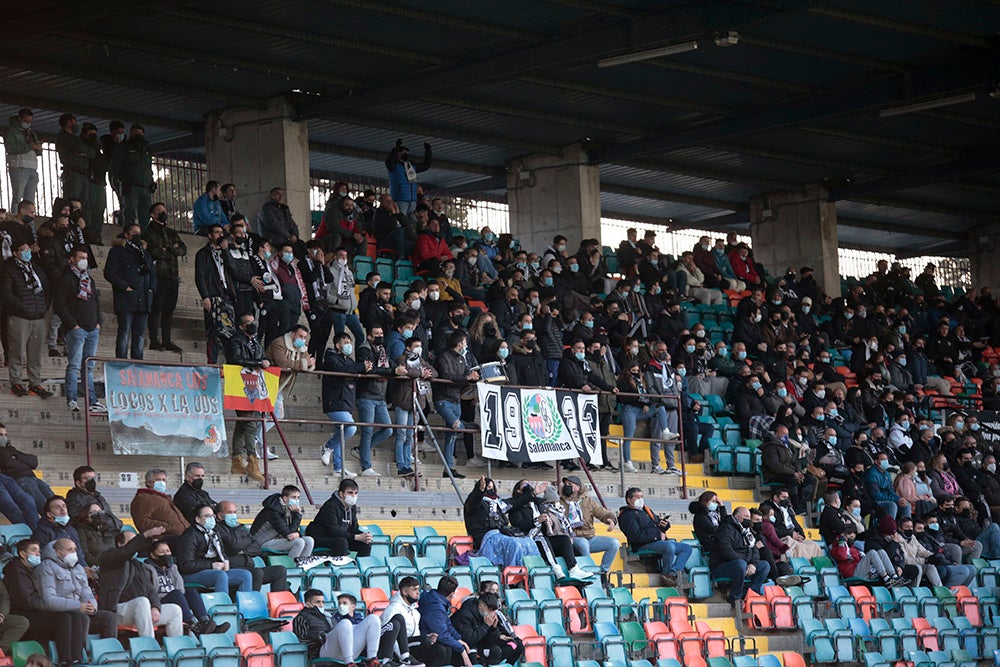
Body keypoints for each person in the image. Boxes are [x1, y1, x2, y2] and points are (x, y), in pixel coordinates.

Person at [5, 539, 95, 666]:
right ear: (22, 554)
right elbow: (25, 601)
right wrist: (46, 605)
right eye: (33, 550)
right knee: (63, 618)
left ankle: (77, 658)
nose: (38, 554)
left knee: (76, 616)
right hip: (23, 614)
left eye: (39, 551)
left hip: (35, 611)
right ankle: (65, 659)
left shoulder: (30, 570)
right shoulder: (15, 572)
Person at [98, 527, 183, 637]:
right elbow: (124, 553)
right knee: (142, 602)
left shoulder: (138, 565)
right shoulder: (109, 557)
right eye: (132, 542)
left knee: (174, 610)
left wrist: (155, 607)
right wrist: (145, 535)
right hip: (117, 610)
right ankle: (149, 647)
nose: (136, 546)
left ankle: (176, 650)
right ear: (119, 544)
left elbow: (150, 590)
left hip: (142, 611)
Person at [144, 539, 229, 635]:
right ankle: (193, 624)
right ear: (153, 555)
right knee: (176, 593)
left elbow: (181, 588)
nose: (166, 554)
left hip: (176, 597)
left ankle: (205, 622)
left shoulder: (173, 568)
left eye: (168, 551)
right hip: (160, 601)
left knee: (191, 592)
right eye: (161, 552)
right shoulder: (147, 570)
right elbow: (150, 592)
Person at [53, 246, 103, 411]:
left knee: (88, 366)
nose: (84, 261)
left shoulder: (89, 279)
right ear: (71, 260)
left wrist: (98, 322)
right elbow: (59, 305)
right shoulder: (66, 279)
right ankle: (72, 399)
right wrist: (72, 325)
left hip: (92, 328)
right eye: (80, 257)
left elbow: (95, 301)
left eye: (86, 258)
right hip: (77, 329)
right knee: (74, 365)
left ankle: (92, 401)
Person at [36, 538, 116, 638]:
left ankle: (107, 651)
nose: (74, 553)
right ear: (58, 552)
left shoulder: (78, 568)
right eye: (70, 550)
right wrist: (78, 606)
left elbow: (87, 593)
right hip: (61, 614)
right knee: (81, 618)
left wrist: (92, 606)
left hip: (80, 611)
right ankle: (80, 652)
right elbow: (49, 600)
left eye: (75, 550)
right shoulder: (47, 567)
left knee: (109, 617)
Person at [1, 241, 51, 398]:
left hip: (38, 317)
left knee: (35, 353)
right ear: (15, 253)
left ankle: (35, 382)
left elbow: (47, 289)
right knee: (17, 350)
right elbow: (6, 293)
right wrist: (22, 307)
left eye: (28, 249)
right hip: (19, 317)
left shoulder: (36, 268)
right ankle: (16, 381)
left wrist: (43, 307)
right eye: (23, 250)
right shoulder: (10, 270)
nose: (27, 252)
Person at [618, 487, 692, 586]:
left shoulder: (646, 510)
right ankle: (665, 574)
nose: (640, 499)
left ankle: (672, 573)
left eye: (642, 496)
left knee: (686, 548)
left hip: (655, 541)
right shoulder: (627, 516)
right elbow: (636, 536)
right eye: (637, 497)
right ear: (629, 499)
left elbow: (657, 522)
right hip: (642, 545)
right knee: (669, 547)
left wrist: (664, 525)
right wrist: (657, 535)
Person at [320, 332, 372, 473]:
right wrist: (361, 366)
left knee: (342, 433)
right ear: (337, 345)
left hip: (347, 402)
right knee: (351, 428)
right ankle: (327, 446)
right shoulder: (331, 357)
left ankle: (339, 468)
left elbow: (353, 371)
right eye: (345, 342)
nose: (349, 345)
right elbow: (343, 370)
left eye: (350, 342)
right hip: (335, 401)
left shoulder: (349, 360)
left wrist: (366, 368)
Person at [103, 223, 156, 359]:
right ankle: (121, 361)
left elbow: (152, 274)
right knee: (124, 331)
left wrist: (151, 290)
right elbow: (109, 272)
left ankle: (138, 362)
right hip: (125, 298)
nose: (136, 235)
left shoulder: (145, 254)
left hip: (143, 299)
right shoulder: (117, 251)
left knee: (140, 333)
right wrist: (124, 286)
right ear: (126, 234)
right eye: (133, 232)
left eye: (139, 233)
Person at [225, 314, 268, 482]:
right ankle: (252, 461)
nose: (252, 325)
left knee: (243, 423)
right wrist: (258, 363)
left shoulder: (256, 342)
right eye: (248, 323)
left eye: (253, 322)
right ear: (241, 326)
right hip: (239, 384)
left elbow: (262, 356)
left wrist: (265, 361)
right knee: (250, 423)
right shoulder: (235, 340)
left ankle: (236, 461)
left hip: (253, 385)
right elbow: (236, 359)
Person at [174, 503, 253, 593]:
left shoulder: (213, 533)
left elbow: (222, 552)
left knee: (245, 575)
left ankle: (245, 604)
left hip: (213, 571)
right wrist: (211, 565)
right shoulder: (190, 536)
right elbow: (186, 565)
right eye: (207, 516)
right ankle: (223, 605)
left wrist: (225, 561)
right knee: (220, 575)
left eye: (212, 516)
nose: (211, 519)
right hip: (192, 574)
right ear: (198, 519)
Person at [214, 501, 290, 592]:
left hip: (248, 566)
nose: (233, 515)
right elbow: (233, 545)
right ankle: (251, 602)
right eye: (229, 512)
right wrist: (247, 540)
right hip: (233, 568)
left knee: (279, 570)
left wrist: (243, 551)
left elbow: (257, 547)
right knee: (256, 573)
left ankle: (279, 604)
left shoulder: (240, 527)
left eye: (235, 512)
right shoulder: (217, 529)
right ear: (219, 515)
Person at [463, 477, 539, 567]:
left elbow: (516, 502)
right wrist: (479, 492)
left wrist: (532, 493)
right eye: (487, 487)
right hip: (486, 537)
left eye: (492, 487)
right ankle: (514, 573)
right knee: (514, 544)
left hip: (502, 533)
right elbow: (473, 501)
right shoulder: (473, 503)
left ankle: (533, 572)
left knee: (529, 542)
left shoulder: (498, 502)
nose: (490, 489)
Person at [433, 331, 479, 478]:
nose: (466, 345)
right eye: (465, 342)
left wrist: (473, 378)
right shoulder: (444, 356)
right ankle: (466, 425)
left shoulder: (462, 358)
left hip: (456, 400)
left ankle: (448, 469)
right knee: (457, 426)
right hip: (443, 399)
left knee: (451, 437)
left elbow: (466, 374)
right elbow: (446, 375)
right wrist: (466, 377)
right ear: (460, 343)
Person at [389, 336, 436, 477]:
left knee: (410, 436)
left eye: (420, 346)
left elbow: (434, 372)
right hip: (403, 400)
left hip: (416, 403)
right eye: (416, 346)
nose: (419, 348)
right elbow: (405, 371)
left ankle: (408, 466)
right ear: (408, 348)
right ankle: (401, 465)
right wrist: (420, 373)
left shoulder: (420, 360)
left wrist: (425, 374)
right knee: (402, 434)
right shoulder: (401, 358)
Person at [142, 202, 187, 351]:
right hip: (159, 275)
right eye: (159, 211)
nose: (163, 213)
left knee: (169, 310)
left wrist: (168, 249)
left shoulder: (171, 232)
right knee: (156, 308)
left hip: (173, 275)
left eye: (164, 210)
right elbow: (154, 250)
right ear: (153, 215)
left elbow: (183, 249)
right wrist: (171, 250)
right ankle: (155, 339)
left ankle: (167, 340)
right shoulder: (149, 232)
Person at [710, 506, 771, 605]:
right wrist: (745, 564)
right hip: (722, 565)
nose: (748, 519)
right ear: (737, 517)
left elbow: (754, 550)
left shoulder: (746, 531)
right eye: (746, 516)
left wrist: (752, 564)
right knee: (740, 564)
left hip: (743, 564)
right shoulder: (726, 528)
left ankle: (749, 594)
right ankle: (735, 598)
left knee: (764, 565)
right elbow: (726, 551)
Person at [560, 475, 620, 574]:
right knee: (583, 543)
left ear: (577, 487)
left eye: (570, 484)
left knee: (614, 543)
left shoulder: (588, 501)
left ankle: (603, 572)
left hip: (590, 538)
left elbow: (602, 512)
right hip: (571, 538)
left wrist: (611, 520)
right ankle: (588, 571)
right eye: (565, 484)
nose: (566, 486)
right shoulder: (560, 502)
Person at [355, 325, 394, 477]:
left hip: (380, 396)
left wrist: (394, 370)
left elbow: (390, 367)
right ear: (369, 336)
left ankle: (360, 450)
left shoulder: (383, 350)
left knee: (388, 429)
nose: (379, 336)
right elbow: (370, 369)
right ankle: (366, 466)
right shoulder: (364, 349)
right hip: (366, 396)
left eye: (381, 333)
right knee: (368, 431)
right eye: (376, 333)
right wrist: (391, 372)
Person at [194, 225, 235, 363]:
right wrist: (205, 296)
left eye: (222, 232)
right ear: (210, 235)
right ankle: (212, 362)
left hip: (227, 295)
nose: (220, 235)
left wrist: (226, 251)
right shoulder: (203, 253)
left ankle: (231, 363)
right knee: (214, 332)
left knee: (230, 331)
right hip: (213, 296)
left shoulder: (227, 252)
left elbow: (233, 269)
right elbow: (200, 276)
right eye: (217, 232)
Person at [452, 591, 523, 666]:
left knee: (516, 643)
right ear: (481, 606)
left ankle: (508, 665)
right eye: (490, 610)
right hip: (468, 645)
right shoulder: (465, 615)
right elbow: (470, 639)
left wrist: (494, 628)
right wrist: (486, 625)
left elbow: (491, 640)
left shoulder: (487, 615)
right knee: (495, 651)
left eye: (494, 610)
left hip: (483, 641)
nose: (492, 613)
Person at [307, 479, 373, 558]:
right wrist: (356, 537)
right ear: (341, 494)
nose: (353, 496)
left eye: (356, 493)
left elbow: (353, 529)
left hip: (340, 537)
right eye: (350, 493)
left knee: (365, 543)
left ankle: (359, 567)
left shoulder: (352, 508)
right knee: (341, 543)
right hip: (320, 537)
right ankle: (338, 567)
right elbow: (332, 531)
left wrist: (364, 536)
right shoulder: (330, 506)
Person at [250, 485, 315, 561]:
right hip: (262, 542)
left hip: (279, 538)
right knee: (299, 542)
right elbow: (288, 533)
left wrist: (297, 533)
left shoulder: (289, 508)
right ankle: (291, 568)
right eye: (294, 497)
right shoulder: (272, 511)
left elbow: (292, 530)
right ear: (285, 498)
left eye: (298, 497)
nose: (297, 500)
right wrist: (298, 515)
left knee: (309, 540)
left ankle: (303, 566)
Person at [379, 576, 433, 667]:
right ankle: (403, 659)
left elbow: (416, 635)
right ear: (404, 591)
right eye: (414, 589)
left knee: (439, 648)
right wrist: (403, 656)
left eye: (418, 589)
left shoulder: (415, 612)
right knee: (425, 641)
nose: (418, 593)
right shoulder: (393, 609)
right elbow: (389, 636)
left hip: (407, 645)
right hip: (393, 649)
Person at [419, 577, 473, 667]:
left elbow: (447, 624)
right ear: (452, 593)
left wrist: (458, 639)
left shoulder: (438, 601)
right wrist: (461, 650)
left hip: (432, 639)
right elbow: (441, 634)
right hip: (425, 641)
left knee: (449, 648)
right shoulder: (436, 607)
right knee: (444, 650)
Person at [108, 124, 154, 227]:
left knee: (146, 214)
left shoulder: (146, 148)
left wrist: (151, 180)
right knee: (130, 213)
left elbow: (148, 167)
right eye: (135, 134)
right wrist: (123, 180)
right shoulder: (124, 147)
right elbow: (115, 167)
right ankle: (129, 236)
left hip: (145, 186)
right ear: (131, 134)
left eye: (140, 134)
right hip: (131, 186)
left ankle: (144, 238)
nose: (138, 136)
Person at [0, 427, 53, 513]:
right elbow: (9, 464)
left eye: (5, 435)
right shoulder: (2, 452)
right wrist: (23, 461)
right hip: (22, 480)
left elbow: (33, 462)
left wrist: (17, 457)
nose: (4, 438)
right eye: (1, 435)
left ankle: (64, 525)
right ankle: (52, 525)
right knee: (44, 507)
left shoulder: (11, 449)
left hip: (34, 478)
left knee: (55, 502)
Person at [830, 530, 907, 586]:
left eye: (853, 538)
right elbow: (842, 556)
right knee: (872, 552)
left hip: (863, 571)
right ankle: (886, 578)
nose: (851, 539)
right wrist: (841, 543)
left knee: (881, 551)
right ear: (844, 537)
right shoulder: (836, 549)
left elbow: (859, 560)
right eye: (850, 537)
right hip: (852, 574)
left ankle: (894, 576)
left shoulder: (853, 548)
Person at [130, 469, 188, 537]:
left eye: (163, 480)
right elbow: (143, 522)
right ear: (148, 482)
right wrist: (169, 527)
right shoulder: (143, 498)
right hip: (164, 540)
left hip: (181, 536)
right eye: (158, 480)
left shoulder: (164, 498)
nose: (162, 482)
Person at [32, 497, 88, 567]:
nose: (62, 510)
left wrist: (84, 568)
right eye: (57, 508)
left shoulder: (72, 530)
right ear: (49, 514)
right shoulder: (42, 532)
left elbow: (79, 554)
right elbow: (44, 557)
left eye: (64, 506)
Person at [5, 109, 41, 211]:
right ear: (19, 119)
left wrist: (38, 148)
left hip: (33, 168)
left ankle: (29, 225)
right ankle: (15, 223)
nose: (28, 124)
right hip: (18, 167)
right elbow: (10, 148)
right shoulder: (11, 130)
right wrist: (30, 146)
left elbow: (35, 150)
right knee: (17, 198)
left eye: (30, 122)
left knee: (30, 200)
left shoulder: (31, 132)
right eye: (26, 121)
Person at [386, 140, 432, 217]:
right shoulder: (394, 166)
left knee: (410, 223)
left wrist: (428, 151)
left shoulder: (411, 166)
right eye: (403, 153)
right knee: (400, 221)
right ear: (398, 154)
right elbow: (390, 161)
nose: (406, 155)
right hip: (400, 199)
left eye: (406, 153)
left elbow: (426, 165)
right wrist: (396, 148)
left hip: (412, 200)